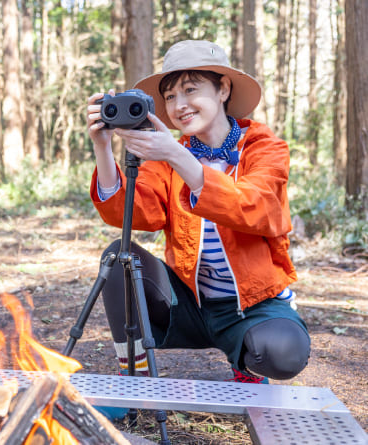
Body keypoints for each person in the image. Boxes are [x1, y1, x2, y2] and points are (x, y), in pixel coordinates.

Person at [86, 40, 310, 391]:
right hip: (188, 302)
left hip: (250, 306)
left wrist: (178, 156)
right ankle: (134, 376)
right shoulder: (171, 155)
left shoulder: (264, 147)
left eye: (191, 90)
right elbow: (135, 212)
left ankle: (247, 363)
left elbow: (257, 207)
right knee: (118, 258)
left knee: (283, 353)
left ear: (223, 89)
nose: (179, 105)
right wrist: (102, 147)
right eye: (171, 96)